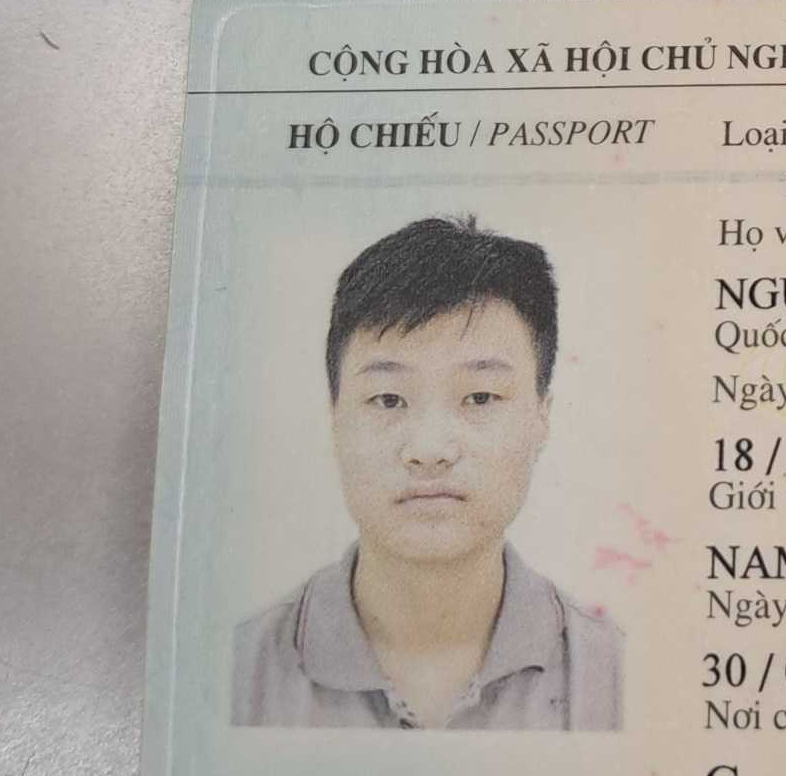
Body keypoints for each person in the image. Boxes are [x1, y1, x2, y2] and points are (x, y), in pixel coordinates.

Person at [231, 216, 623, 730]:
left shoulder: (619, 681)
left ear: (541, 416)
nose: (429, 450)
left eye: (479, 397)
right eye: (388, 399)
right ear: (334, 417)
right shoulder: (235, 675)